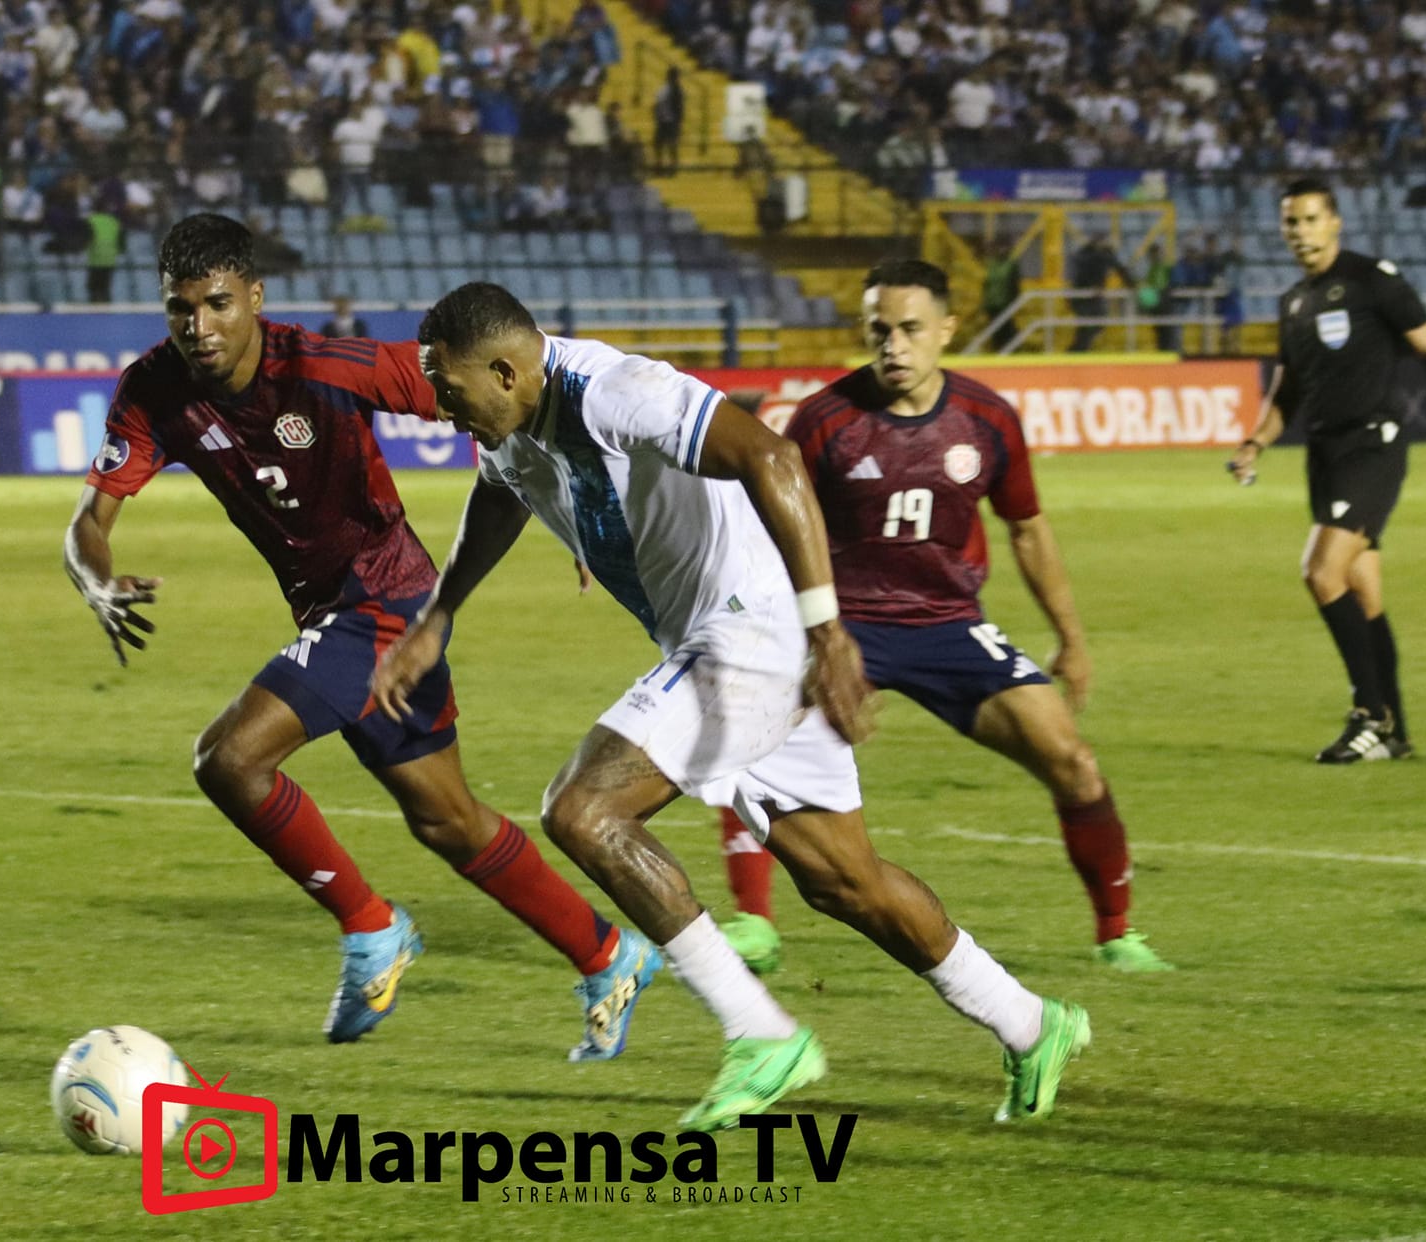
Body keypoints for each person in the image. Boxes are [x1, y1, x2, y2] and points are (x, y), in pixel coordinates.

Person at [376, 281, 1091, 1131]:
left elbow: (773, 458)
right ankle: (1030, 1022)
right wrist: (438, 618)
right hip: (720, 640)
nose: (440, 410)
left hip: (752, 633)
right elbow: (503, 490)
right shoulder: (512, 421)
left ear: (504, 370)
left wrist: (828, 633)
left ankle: (761, 1033)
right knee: (844, 880)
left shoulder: (617, 391)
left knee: (583, 810)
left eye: (449, 391)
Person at [62, 214, 658, 1059]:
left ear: (254, 297)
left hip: (387, 598)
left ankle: (370, 927)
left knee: (229, 759)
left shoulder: (327, 366)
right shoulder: (154, 389)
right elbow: (90, 521)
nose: (200, 326)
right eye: (180, 309)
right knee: (448, 821)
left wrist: (576, 506)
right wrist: (95, 577)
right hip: (329, 612)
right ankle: (607, 954)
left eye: (218, 303)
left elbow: (502, 393)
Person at [712, 260, 1172, 979]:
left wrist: (1072, 638)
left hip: (949, 625)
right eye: (879, 330)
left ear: (947, 330)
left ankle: (1117, 933)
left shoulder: (987, 420)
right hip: (839, 626)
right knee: (755, 740)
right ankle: (754, 923)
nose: (893, 345)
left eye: (910, 329)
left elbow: (1028, 530)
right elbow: (772, 524)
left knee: (1073, 761)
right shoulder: (826, 420)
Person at [1227, 178, 1426, 763]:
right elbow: (1287, 392)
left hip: (1372, 446)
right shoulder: (1294, 302)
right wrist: (1255, 443)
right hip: (1324, 455)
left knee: (1321, 572)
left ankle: (1370, 714)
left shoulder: (1374, 280)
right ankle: (1394, 734)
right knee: (1363, 593)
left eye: (1310, 219)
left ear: (1335, 222)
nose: (1301, 232)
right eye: (1291, 222)